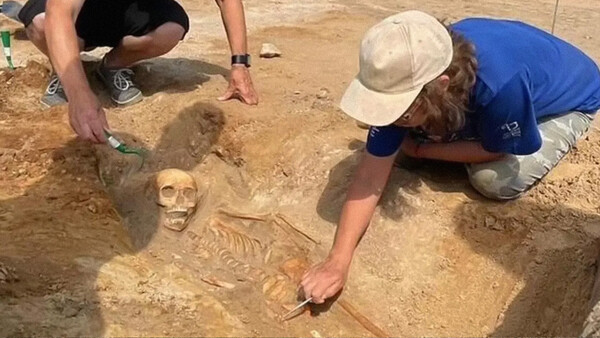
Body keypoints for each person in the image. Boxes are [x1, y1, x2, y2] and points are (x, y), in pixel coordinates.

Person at [300, 10, 600, 304]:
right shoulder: (411, 65)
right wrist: (337, 261)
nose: (390, 119)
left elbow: (498, 147)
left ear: (440, 86)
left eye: (399, 111)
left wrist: (421, 149)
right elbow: (369, 175)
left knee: (492, 181)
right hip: (509, 74)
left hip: (572, 99)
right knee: (411, 133)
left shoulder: (499, 85)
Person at [18, 0, 258, 143]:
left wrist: (239, 64)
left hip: (130, 9)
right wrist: (79, 95)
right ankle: (66, 71)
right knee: (41, 23)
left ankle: (113, 66)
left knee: (171, 29)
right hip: (80, 12)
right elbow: (60, 13)